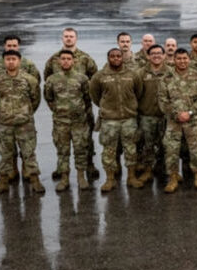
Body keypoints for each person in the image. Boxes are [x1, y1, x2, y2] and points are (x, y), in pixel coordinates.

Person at [89, 48, 144, 192]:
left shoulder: (133, 75)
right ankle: (110, 179)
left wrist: (130, 107)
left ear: (122, 58)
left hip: (129, 119)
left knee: (131, 149)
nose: (116, 58)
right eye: (112, 56)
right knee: (109, 151)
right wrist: (107, 108)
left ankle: (131, 177)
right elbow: (95, 95)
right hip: (109, 120)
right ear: (108, 58)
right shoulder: (99, 76)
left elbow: (138, 92)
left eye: (118, 56)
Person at [0, 50, 42, 194]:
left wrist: (26, 112)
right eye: (8, 59)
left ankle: (35, 180)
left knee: (29, 153)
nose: (10, 62)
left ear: (19, 61)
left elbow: (35, 98)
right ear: (4, 61)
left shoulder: (30, 79)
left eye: (13, 59)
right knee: (5, 154)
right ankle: (3, 182)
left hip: (25, 124)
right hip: (5, 124)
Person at [159, 49, 197, 193]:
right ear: (174, 59)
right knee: (171, 151)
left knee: (196, 151)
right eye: (179, 58)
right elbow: (162, 100)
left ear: (189, 59)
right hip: (174, 123)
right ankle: (173, 179)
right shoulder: (166, 78)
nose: (182, 61)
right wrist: (176, 114)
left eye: (185, 58)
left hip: (192, 122)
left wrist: (190, 113)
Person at [43, 50, 92, 191]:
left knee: (80, 149)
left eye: (68, 58)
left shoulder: (82, 79)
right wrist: (58, 110)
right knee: (63, 151)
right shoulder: (52, 79)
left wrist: (79, 111)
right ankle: (64, 178)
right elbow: (49, 97)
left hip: (79, 122)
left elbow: (88, 98)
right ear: (59, 61)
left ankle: (81, 177)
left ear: (73, 61)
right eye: (63, 59)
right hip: (61, 122)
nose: (65, 61)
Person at [137, 44, 169, 184]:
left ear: (164, 56)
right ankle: (148, 170)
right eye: (153, 53)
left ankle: (163, 168)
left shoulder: (171, 73)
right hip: (147, 116)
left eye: (159, 53)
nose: (156, 56)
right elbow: (135, 93)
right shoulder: (141, 73)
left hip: (165, 116)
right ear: (148, 56)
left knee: (166, 145)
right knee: (147, 145)